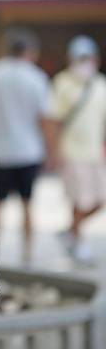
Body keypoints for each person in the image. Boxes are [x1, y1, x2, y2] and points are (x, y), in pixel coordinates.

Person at [0, 29, 51, 261]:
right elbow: (44, 118)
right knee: (28, 204)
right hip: (28, 151)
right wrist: (50, 149)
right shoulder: (37, 77)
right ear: (31, 52)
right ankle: (27, 255)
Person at [50, 36, 106, 263]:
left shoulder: (100, 84)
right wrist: (53, 152)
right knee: (79, 200)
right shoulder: (63, 83)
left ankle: (70, 231)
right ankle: (78, 241)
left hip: (95, 153)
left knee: (99, 200)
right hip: (72, 153)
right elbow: (53, 120)